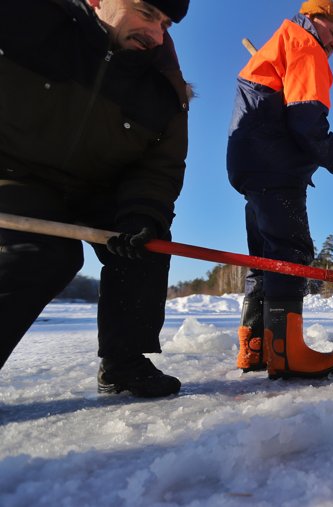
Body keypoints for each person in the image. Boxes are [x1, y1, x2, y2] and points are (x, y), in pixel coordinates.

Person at [0, 0, 191, 397]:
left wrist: (142, 213)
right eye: (146, 12)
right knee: (45, 254)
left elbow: (159, 168)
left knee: (147, 240)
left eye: (165, 22)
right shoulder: (26, 20)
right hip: (15, 175)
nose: (157, 34)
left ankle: (124, 361)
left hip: (99, 187)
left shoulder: (163, 86)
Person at [227, 0, 333, 380]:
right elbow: (307, 121)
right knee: (290, 251)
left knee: (266, 257)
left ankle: (255, 347)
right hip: (275, 166)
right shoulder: (305, 46)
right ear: (313, 18)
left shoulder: (282, 43)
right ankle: (287, 354)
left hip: (251, 165)